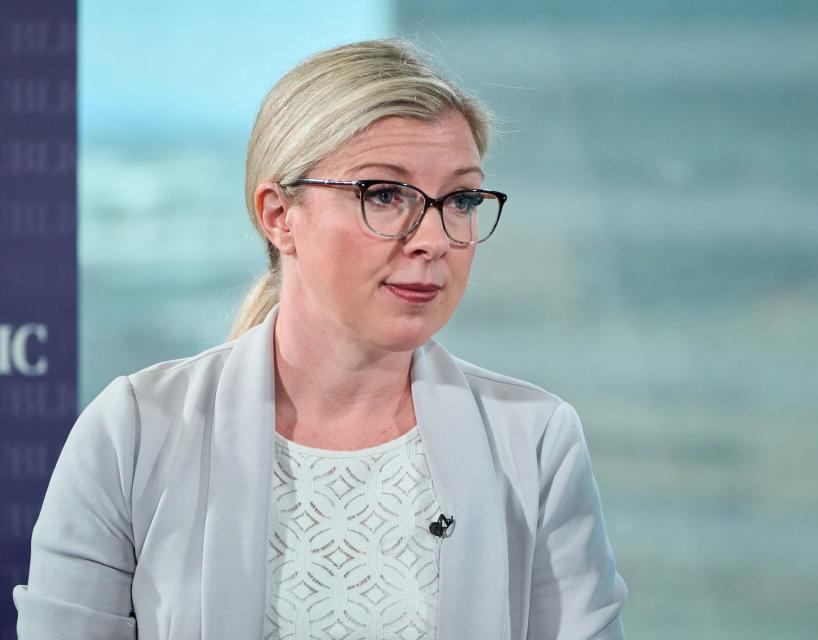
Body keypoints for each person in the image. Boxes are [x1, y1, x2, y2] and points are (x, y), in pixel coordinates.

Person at [12, 39, 627, 639]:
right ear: (279, 216)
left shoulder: (537, 440)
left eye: (460, 199)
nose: (433, 238)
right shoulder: (135, 430)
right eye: (385, 194)